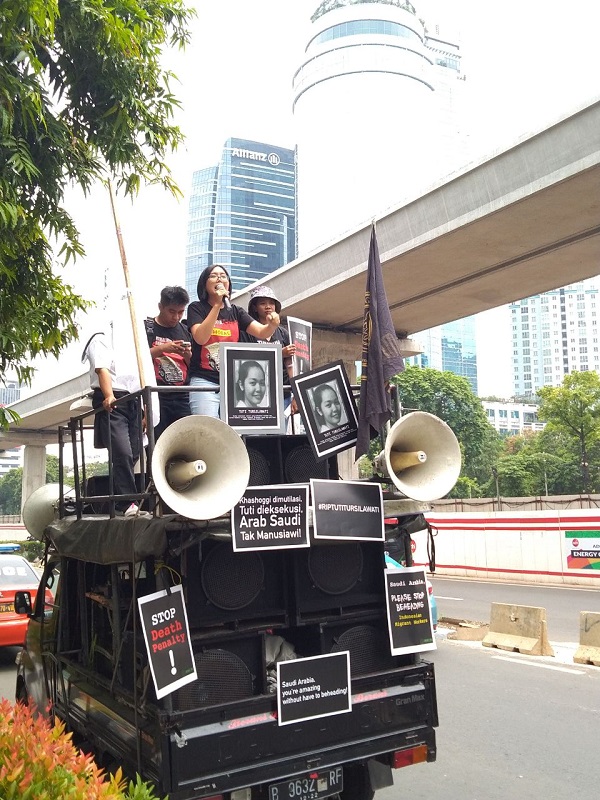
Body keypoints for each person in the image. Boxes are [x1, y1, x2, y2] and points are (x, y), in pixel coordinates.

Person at [186, 265, 282, 417]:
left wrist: (272, 325)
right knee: (208, 426)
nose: (219, 279)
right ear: (204, 283)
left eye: (223, 276)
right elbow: (200, 337)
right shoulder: (196, 308)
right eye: (214, 276)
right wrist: (217, 305)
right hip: (204, 380)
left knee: (232, 428)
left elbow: (262, 332)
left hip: (232, 381)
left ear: (228, 283)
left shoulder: (236, 311)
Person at [82, 321, 153, 517]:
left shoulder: (132, 342)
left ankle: (115, 497)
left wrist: (146, 410)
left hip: (133, 399)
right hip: (113, 399)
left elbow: (141, 374)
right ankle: (127, 502)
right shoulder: (101, 337)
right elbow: (102, 369)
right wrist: (108, 395)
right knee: (122, 452)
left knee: (135, 452)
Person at [145, 286, 192, 439]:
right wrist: (163, 349)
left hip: (182, 396)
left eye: (181, 312)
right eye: (172, 311)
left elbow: (194, 366)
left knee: (185, 439)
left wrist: (187, 355)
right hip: (156, 395)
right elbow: (137, 359)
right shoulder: (147, 328)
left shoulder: (186, 330)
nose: (176, 317)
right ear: (160, 307)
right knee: (157, 441)